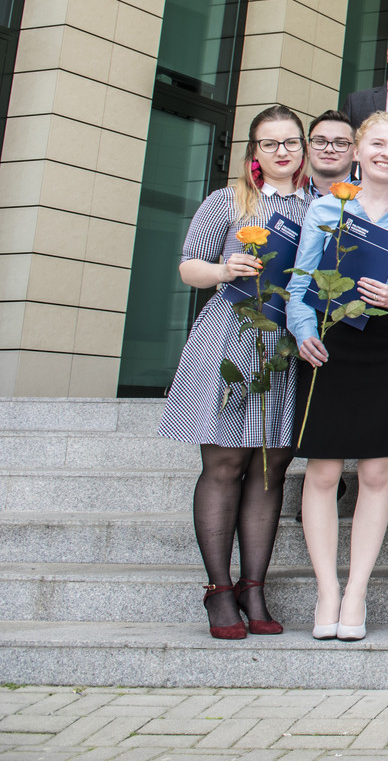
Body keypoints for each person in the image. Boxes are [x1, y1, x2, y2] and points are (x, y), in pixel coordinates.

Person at [156, 104, 309, 640]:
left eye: (291, 142)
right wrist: (225, 268)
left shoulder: (319, 205)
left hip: (288, 345)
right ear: (254, 152)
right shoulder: (228, 201)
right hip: (231, 338)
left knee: (270, 467)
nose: (282, 151)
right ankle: (219, 590)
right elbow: (188, 266)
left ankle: (254, 587)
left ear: (303, 148)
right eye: (270, 143)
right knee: (224, 463)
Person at [288, 112, 388, 641]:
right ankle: (327, 590)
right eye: (378, 144)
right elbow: (299, 284)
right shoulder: (326, 207)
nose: (387, 154)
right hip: (330, 341)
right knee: (322, 473)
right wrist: (303, 333)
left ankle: (357, 592)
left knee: (378, 473)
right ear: (358, 151)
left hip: (386, 343)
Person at [305, 110, 356, 196]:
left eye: (340, 143)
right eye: (320, 141)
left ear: (355, 152)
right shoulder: (288, 196)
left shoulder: (371, 199)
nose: (329, 149)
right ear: (307, 149)